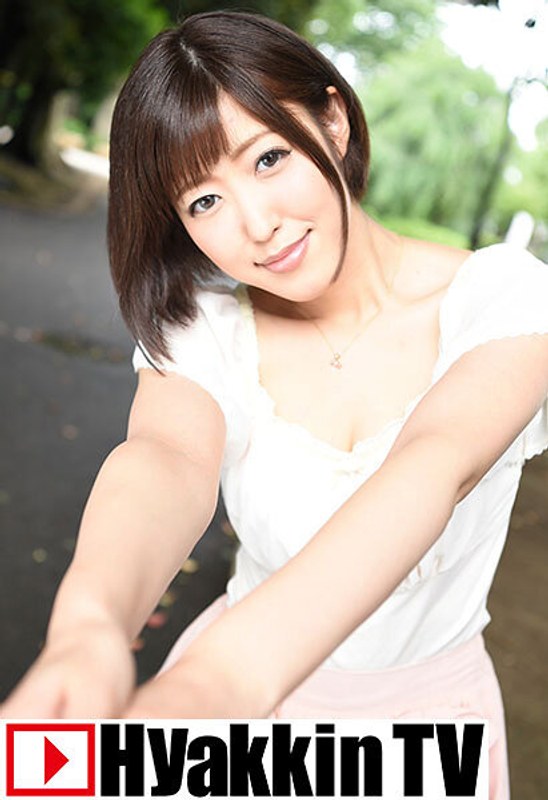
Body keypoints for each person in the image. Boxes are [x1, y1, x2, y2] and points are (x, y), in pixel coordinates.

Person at [3, 10, 548, 798]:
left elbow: (434, 467)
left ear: (332, 119)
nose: (257, 225)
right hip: (228, 731)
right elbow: (164, 460)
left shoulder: (503, 300)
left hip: (422, 738)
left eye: (268, 158)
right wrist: (88, 628)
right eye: (203, 202)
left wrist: (218, 683)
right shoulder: (207, 330)